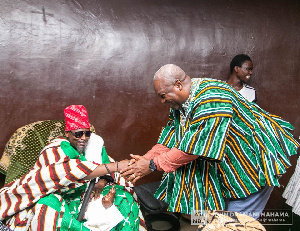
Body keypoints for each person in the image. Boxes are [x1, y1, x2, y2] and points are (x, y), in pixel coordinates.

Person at [121, 64, 299, 219]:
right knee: (211, 220)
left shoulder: (212, 97)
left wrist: (151, 165)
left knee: (233, 224)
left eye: (162, 95)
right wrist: (142, 161)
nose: (161, 101)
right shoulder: (179, 104)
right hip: (227, 172)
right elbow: (167, 141)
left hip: (253, 167)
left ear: (178, 85)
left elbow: (193, 149)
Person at [0, 105, 145, 230]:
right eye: (78, 134)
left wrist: (101, 183)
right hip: (61, 195)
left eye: (86, 133)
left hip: (90, 193)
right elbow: (69, 171)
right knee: (47, 210)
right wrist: (118, 165)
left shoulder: (94, 144)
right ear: (67, 133)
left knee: (125, 198)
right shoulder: (55, 148)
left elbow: (106, 165)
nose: (83, 138)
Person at [226, 54, 273, 217]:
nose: (251, 73)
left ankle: (239, 219)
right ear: (236, 69)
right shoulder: (221, 90)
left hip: (244, 146)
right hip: (224, 145)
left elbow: (254, 121)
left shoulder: (250, 93)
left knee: (249, 183)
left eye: (252, 69)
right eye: (248, 68)